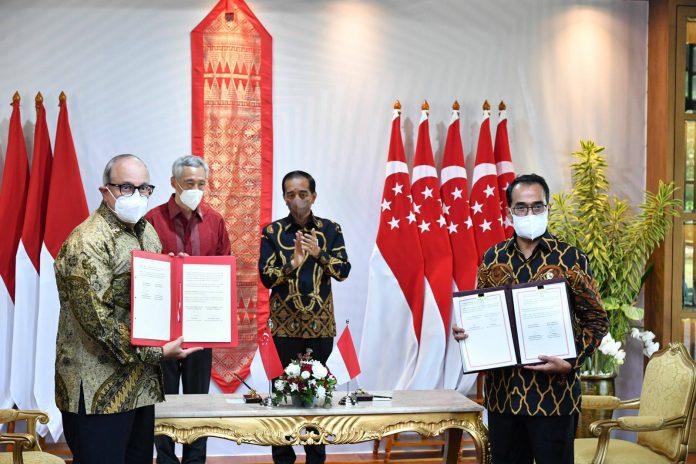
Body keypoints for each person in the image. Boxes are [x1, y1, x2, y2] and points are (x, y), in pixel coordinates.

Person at [54, 154, 202, 464]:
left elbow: (152, 295)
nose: (135, 196)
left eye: (143, 188)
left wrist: (175, 274)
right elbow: (99, 323)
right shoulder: (87, 241)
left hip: (139, 385)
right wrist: (158, 353)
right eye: (125, 187)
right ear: (104, 190)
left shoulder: (145, 231)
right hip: (96, 391)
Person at [453, 173, 608, 464]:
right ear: (509, 212)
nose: (530, 213)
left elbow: (597, 321)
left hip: (555, 399)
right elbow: (482, 314)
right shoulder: (492, 258)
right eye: (521, 208)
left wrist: (571, 362)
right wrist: (466, 332)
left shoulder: (571, 259)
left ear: (548, 208)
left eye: (537, 206)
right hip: (504, 398)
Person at [258, 170, 351, 464]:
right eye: (290, 194)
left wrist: (319, 253)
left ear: (313, 195)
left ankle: (315, 457)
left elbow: (343, 271)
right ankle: (283, 458)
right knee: (283, 396)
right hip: (285, 327)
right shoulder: (272, 232)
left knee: (317, 396)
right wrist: (293, 263)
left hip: (320, 326)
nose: (296, 200)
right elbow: (266, 278)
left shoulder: (330, 230)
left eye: (302, 194)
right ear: (284, 197)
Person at [145, 155, 231, 464]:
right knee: (163, 402)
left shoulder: (215, 221)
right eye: (189, 183)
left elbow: (225, 271)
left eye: (201, 184)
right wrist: (168, 264)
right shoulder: (152, 220)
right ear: (173, 183)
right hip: (161, 329)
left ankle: (196, 460)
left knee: (198, 403)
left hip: (201, 326)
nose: (196, 189)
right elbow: (140, 270)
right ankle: (166, 460)